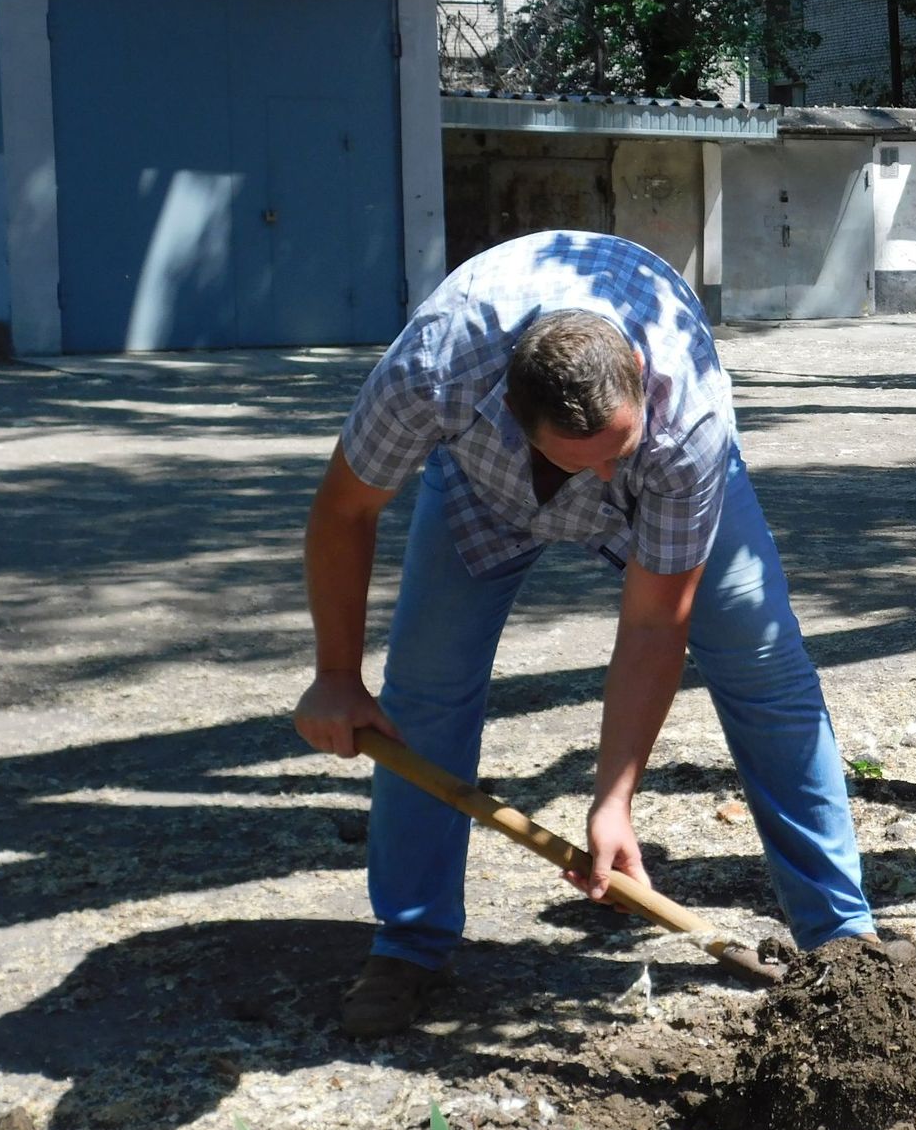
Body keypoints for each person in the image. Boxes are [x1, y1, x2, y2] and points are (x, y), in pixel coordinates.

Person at [295, 230, 875, 1034]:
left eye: (615, 452)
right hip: (484, 491)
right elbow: (344, 509)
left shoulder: (684, 420)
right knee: (424, 693)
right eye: (579, 461)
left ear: (638, 377)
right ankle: (409, 943)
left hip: (670, 476)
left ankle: (843, 942)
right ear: (509, 409)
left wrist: (613, 802)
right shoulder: (436, 370)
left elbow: (650, 627)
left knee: (765, 670)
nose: (602, 478)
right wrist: (334, 674)